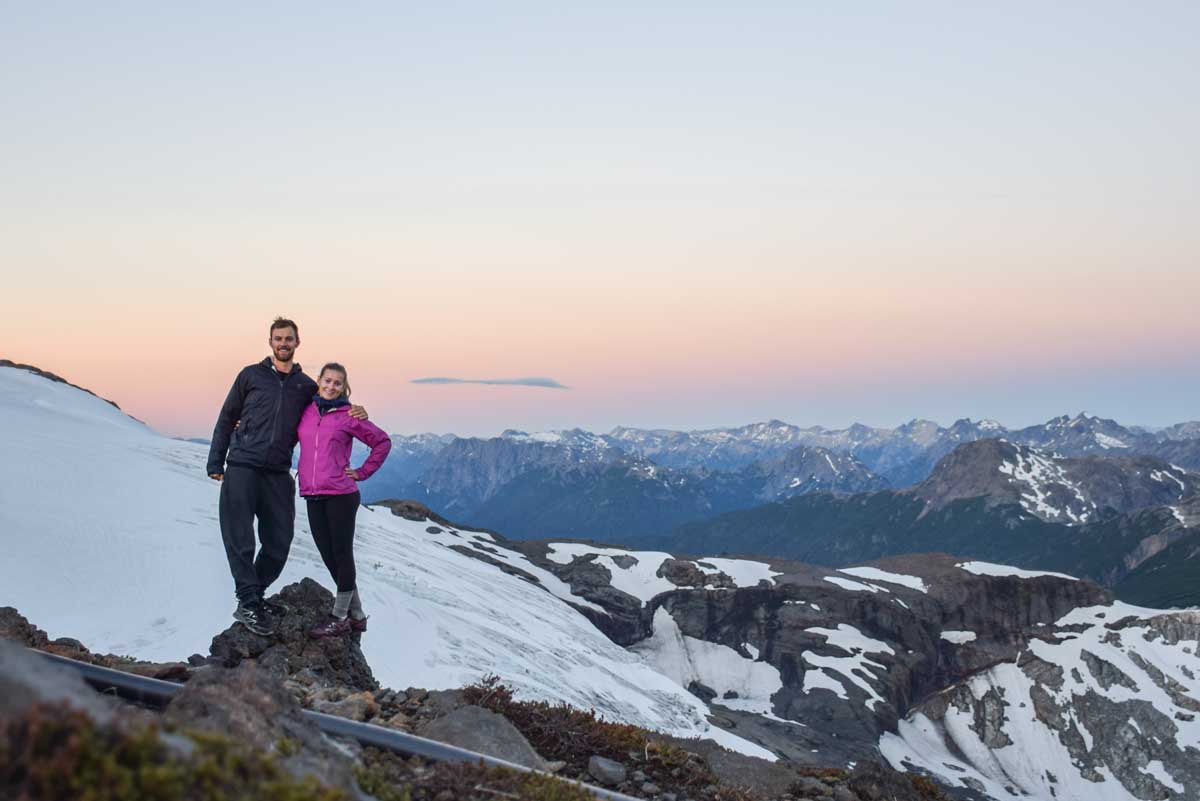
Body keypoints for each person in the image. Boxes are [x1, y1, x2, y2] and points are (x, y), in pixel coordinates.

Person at [207, 318, 368, 636]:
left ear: (297, 343)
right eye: (278, 338)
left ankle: (254, 594)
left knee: (279, 542)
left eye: (289, 339)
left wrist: (354, 411)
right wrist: (216, 460)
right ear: (270, 342)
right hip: (242, 465)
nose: (283, 343)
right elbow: (228, 417)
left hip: (278, 472)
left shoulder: (306, 386)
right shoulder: (250, 376)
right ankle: (249, 602)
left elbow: (327, 408)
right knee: (240, 538)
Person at [297, 362, 391, 637]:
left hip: (340, 494)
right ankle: (358, 614)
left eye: (337, 383)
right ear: (319, 381)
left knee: (341, 554)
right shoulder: (305, 412)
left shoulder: (349, 415)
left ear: (344, 387)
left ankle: (339, 616)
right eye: (327, 381)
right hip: (312, 494)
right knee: (329, 557)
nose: (331, 386)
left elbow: (382, 442)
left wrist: (362, 472)